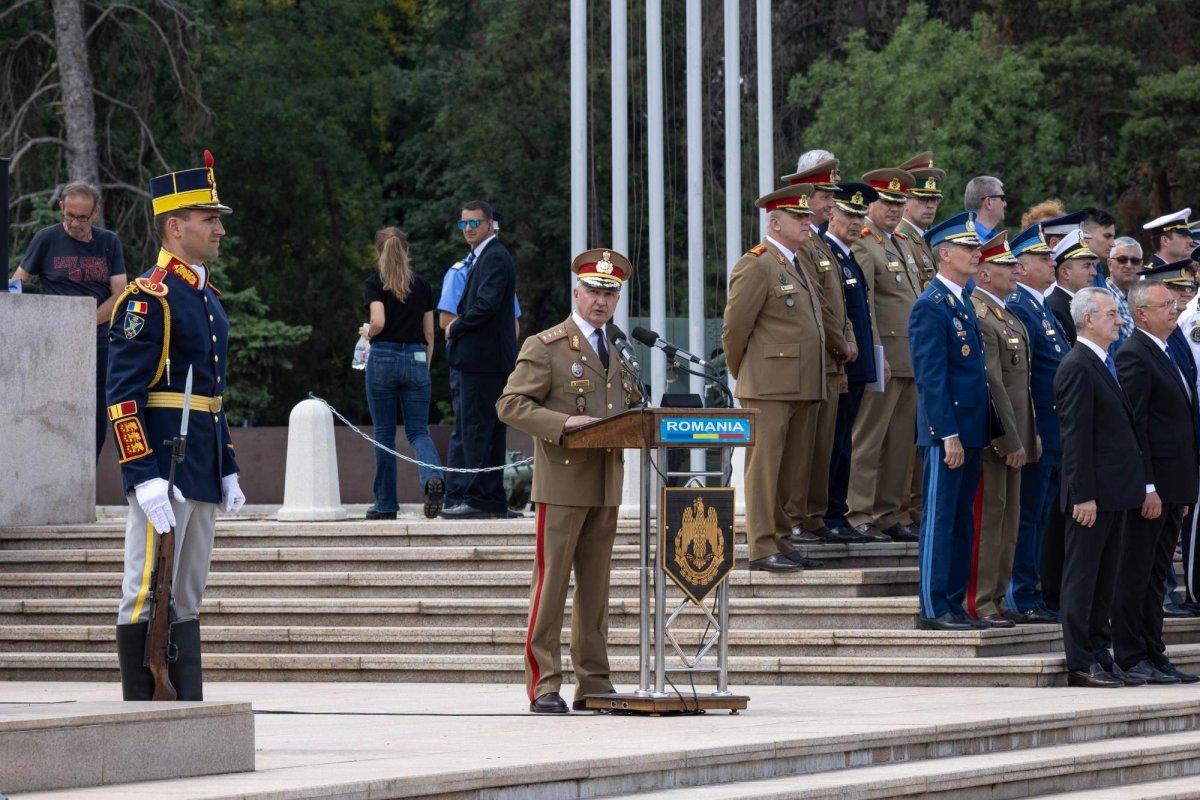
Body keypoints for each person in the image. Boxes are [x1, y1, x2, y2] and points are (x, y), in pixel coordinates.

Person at [107, 150, 245, 701]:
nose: (219, 228)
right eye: (209, 219)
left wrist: (228, 465)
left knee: (186, 593)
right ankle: (142, 710)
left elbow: (212, 393)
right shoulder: (149, 297)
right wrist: (140, 474)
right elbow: (123, 399)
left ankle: (183, 705)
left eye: (218, 219)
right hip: (163, 466)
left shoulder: (204, 297)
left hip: (201, 465)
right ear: (175, 226)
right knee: (144, 589)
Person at [496, 248, 639, 713]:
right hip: (561, 482)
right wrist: (561, 424)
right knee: (552, 586)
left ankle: (594, 682)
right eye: (594, 291)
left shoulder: (619, 347)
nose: (601, 300)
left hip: (605, 481)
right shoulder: (546, 345)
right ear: (575, 292)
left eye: (610, 292)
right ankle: (544, 684)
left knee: (596, 592)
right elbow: (511, 404)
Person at [722, 183, 827, 571]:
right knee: (766, 468)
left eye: (806, 216)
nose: (807, 223)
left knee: (792, 469)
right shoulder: (757, 263)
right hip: (768, 384)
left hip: (802, 382)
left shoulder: (798, 262)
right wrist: (746, 373)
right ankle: (762, 545)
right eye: (799, 217)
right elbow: (735, 330)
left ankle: (782, 541)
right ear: (776, 222)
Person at [1054, 287, 1145, 688]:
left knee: (1106, 578)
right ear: (1088, 319)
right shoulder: (1077, 365)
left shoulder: (1103, 362)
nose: (1120, 320)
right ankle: (1080, 661)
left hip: (1115, 491)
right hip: (1093, 495)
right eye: (1111, 314)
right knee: (1083, 578)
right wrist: (1083, 494)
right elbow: (1076, 437)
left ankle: (1099, 652)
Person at [1111, 279, 1200, 684]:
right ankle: (1131, 654)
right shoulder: (1134, 355)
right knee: (1137, 573)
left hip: (1173, 486)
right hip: (1152, 488)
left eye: (1174, 303)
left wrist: (1182, 488)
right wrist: (1147, 486)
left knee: (1157, 573)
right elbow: (1137, 428)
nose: (1175, 309)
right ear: (1141, 313)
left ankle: (1154, 651)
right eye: (1166, 304)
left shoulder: (1166, 351)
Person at [910, 211, 989, 631]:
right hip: (948, 434)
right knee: (940, 518)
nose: (977, 254)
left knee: (962, 519)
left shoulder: (961, 301)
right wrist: (948, 434)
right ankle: (933, 606)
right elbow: (932, 378)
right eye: (968, 247)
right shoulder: (931, 306)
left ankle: (954, 601)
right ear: (944, 253)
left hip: (971, 429)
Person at [10, 181, 127, 458]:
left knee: (95, 420)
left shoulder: (109, 242)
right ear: (62, 207)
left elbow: (121, 294)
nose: (74, 223)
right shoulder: (46, 239)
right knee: (51, 413)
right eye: (69, 216)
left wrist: (83, 321)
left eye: (82, 218)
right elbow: (17, 285)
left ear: (95, 213)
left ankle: (87, 480)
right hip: (52, 344)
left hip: (96, 344)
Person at [780, 156, 857, 544]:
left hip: (830, 358)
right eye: (826, 195)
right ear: (807, 196)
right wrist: (839, 340)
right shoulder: (804, 243)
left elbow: (835, 301)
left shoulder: (820, 241)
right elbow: (817, 304)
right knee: (803, 451)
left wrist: (844, 339)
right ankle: (796, 518)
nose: (832, 202)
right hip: (816, 357)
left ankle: (811, 516)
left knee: (822, 446)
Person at [847, 168, 921, 543]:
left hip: (910, 357)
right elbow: (866, 306)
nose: (894, 209)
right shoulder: (865, 243)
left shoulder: (901, 243)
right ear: (870, 205)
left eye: (899, 202)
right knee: (870, 439)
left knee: (901, 444)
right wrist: (877, 355)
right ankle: (859, 511)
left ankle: (888, 512)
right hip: (886, 358)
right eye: (886, 202)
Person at [968, 232, 1034, 628]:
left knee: (1009, 520)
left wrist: (1029, 434)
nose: (1015, 271)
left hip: (1018, 436)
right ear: (984, 274)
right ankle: (979, 601)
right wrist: (1007, 438)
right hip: (997, 439)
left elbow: (1020, 386)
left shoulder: (1006, 314)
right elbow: (992, 383)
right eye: (1006, 266)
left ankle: (998, 595)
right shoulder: (980, 314)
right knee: (990, 519)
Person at [437, 215, 522, 513]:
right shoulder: (484, 257)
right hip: (486, 361)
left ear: (490, 224)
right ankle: (491, 498)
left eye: (474, 222)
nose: (468, 228)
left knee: (477, 431)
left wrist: (456, 328)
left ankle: (478, 499)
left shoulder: (494, 257)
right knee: (485, 431)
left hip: (483, 362)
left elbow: (485, 306)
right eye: (462, 223)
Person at [1004, 222, 1067, 624]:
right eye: (1043, 257)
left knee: (1043, 517)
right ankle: (1021, 593)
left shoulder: (1038, 306)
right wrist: (1030, 430)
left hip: (1057, 427)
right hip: (1040, 427)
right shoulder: (1018, 307)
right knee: (1028, 517)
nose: (1051, 262)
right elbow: (1022, 377)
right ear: (1022, 268)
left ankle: (1036, 590)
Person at [360, 227, 445, 520]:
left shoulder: (375, 283)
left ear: (378, 253)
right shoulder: (422, 285)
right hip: (417, 357)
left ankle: (385, 505)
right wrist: (425, 364)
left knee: (384, 434)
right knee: (418, 431)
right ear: (407, 251)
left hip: (383, 357)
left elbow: (378, 321)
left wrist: (366, 331)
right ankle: (433, 476)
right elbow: (430, 332)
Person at [822, 183, 879, 543]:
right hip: (841, 362)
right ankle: (830, 513)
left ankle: (837, 512)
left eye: (860, 216)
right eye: (848, 215)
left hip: (856, 364)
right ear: (832, 215)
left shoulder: (848, 254)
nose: (855, 222)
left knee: (845, 442)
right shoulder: (827, 253)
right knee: (837, 443)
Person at [897, 151, 944, 287]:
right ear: (904, 200)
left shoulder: (930, 239)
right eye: (923, 199)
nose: (930, 205)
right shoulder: (900, 239)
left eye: (935, 199)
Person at [1045, 229, 1098, 346]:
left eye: (1092, 266)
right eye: (1087, 266)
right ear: (1065, 273)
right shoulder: (1055, 308)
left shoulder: (1077, 304)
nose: (1094, 272)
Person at [1105, 236, 1144, 340]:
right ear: (1109, 264)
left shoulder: (1145, 298)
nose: (1128, 265)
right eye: (1122, 260)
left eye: (1135, 261)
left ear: (1141, 265)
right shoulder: (1101, 297)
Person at [962, 176, 1006, 241]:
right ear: (989, 202)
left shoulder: (992, 237)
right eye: (1002, 198)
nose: (1005, 204)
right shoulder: (971, 243)